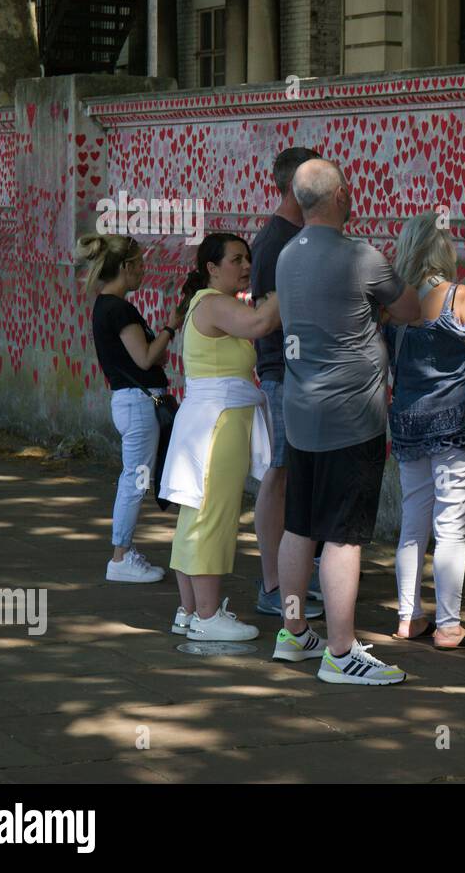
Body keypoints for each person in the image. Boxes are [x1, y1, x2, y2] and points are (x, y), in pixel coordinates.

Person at [273, 158, 422, 684]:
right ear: (340, 196)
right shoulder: (361, 255)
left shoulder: (288, 256)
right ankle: (341, 653)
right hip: (350, 417)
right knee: (343, 535)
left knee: (300, 526)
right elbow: (409, 309)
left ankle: (293, 632)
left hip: (300, 411)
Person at [159, 233, 281, 640]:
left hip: (212, 420)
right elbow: (263, 323)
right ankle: (208, 619)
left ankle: (190, 611)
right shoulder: (213, 303)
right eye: (236, 260)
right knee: (213, 515)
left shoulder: (209, 303)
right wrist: (288, 281)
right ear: (211, 268)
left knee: (196, 515)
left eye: (247, 258)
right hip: (218, 423)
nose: (245, 266)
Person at [384, 213, 465, 650]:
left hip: (407, 421)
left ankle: (409, 618)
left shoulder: (394, 305)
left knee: (412, 524)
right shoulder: (459, 296)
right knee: (450, 528)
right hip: (452, 426)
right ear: (442, 250)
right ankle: (449, 625)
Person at [77, 233, 180, 583]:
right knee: (134, 480)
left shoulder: (106, 306)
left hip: (132, 401)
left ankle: (124, 552)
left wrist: (159, 339)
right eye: (139, 264)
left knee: (134, 477)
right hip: (138, 403)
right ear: (125, 267)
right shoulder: (119, 309)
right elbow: (146, 357)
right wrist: (170, 326)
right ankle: (120, 556)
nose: (144, 270)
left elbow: (146, 357)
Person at [248, 146, 324, 623]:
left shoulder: (291, 236)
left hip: (294, 370)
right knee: (278, 473)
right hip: (283, 371)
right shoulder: (279, 241)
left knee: (290, 473)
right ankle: (274, 584)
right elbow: (269, 316)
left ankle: (288, 579)